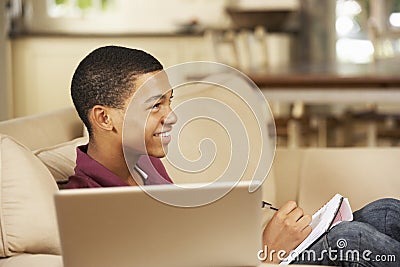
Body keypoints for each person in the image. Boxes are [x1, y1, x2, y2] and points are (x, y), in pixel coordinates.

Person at [66, 45, 399, 266]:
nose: (171, 116)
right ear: (104, 118)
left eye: (170, 101)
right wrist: (268, 252)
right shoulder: (87, 202)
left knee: (384, 211)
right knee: (349, 238)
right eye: (155, 106)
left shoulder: (143, 162)